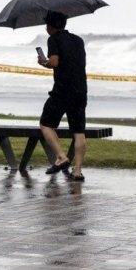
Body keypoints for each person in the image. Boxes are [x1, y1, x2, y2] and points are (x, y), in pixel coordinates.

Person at [37, 11, 87, 182]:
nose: (46, 28)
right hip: (80, 90)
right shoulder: (78, 40)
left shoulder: (54, 39)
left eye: (47, 25)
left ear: (51, 26)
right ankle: (78, 171)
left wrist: (44, 62)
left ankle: (61, 157)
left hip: (62, 90)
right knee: (79, 132)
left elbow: (54, 62)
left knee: (46, 124)